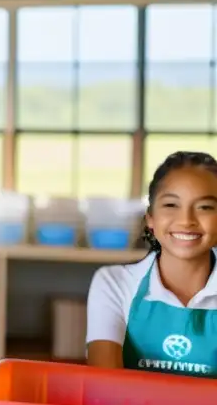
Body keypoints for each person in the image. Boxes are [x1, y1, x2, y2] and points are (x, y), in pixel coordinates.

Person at [86, 151, 217, 376]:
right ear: (150, 219)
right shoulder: (115, 284)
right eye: (171, 205)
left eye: (204, 207)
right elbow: (104, 385)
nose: (186, 220)